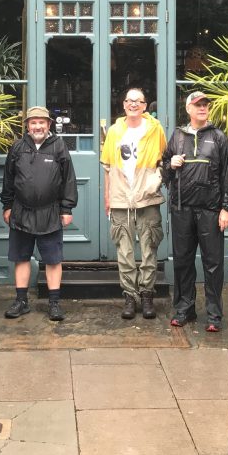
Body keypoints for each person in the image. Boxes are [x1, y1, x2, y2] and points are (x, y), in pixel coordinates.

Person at [161, 91, 228, 332]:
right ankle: (184, 309)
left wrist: (226, 208)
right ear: (188, 110)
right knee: (182, 262)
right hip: (182, 209)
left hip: (210, 210)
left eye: (205, 105)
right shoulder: (177, 136)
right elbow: (164, 171)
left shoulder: (219, 137)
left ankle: (214, 315)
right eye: (197, 105)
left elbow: (227, 175)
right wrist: (170, 165)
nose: (202, 108)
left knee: (213, 264)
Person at [0, 106, 78, 322]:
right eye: (33, 122)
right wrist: (7, 206)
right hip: (21, 212)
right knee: (21, 257)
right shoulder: (18, 147)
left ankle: (54, 303)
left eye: (41, 122)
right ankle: (21, 301)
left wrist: (67, 208)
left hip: (50, 213)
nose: (37, 126)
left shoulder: (59, 147)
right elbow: (8, 180)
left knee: (53, 260)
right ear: (27, 126)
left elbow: (68, 179)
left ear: (48, 125)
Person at [100, 87, 167, 320]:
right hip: (120, 198)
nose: (133, 105)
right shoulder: (115, 131)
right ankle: (130, 296)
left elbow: (163, 161)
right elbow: (107, 168)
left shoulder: (155, 129)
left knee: (149, 248)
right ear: (124, 104)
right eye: (129, 101)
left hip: (147, 199)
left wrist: (155, 182)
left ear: (145, 106)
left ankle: (147, 294)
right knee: (125, 251)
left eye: (138, 101)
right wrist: (107, 197)